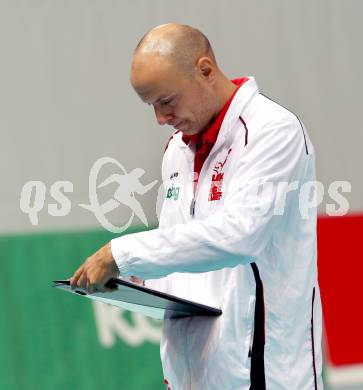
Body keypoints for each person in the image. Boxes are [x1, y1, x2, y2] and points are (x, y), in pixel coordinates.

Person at [71, 23, 323, 389]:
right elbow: (181, 247)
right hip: (192, 370)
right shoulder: (176, 148)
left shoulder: (273, 131)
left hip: (263, 369)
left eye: (166, 101)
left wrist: (123, 252)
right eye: (151, 105)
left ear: (205, 70)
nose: (160, 118)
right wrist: (133, 280)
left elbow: (240, 237)